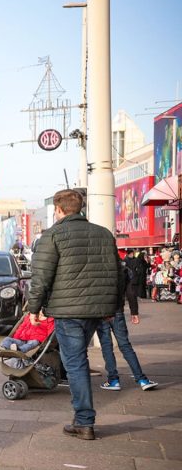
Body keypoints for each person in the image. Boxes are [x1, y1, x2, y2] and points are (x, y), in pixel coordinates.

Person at [27, 189, 119, 441]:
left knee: (75, 363)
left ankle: (84, 421)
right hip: (96, 310)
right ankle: (83, 419)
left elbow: (41, 277)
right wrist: (114, 308)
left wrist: (33, 308)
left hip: (68, 311)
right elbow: (116, 274)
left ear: (58, 209)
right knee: (79, 360)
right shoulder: (103, 234)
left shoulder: (53, 235)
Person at [98, 255, 158, 392]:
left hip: (101, 313)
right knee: (125, 345)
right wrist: (134, 312)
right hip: (117, 311)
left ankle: (113, 380)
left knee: (106, 346)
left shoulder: (98, 269)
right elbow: (131, 293)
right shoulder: (123, 270)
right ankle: (142, 379)